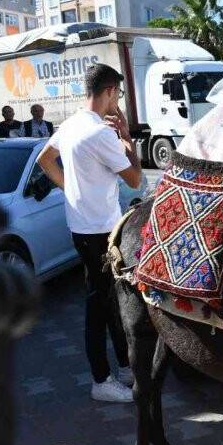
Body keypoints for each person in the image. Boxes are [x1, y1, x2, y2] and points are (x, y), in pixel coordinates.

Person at [36, 64, 143, 403]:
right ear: (110, 91)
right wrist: (126, 137)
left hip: (84, 227)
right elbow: (136, 179)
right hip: (100, 231)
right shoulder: (99, 133)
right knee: (100, 304)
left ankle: (124, 364)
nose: (119, 102)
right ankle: (101, 379)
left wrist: (69, 189)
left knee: (110, 299)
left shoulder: (70, 125)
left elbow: (44, 160)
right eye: (119, 95)